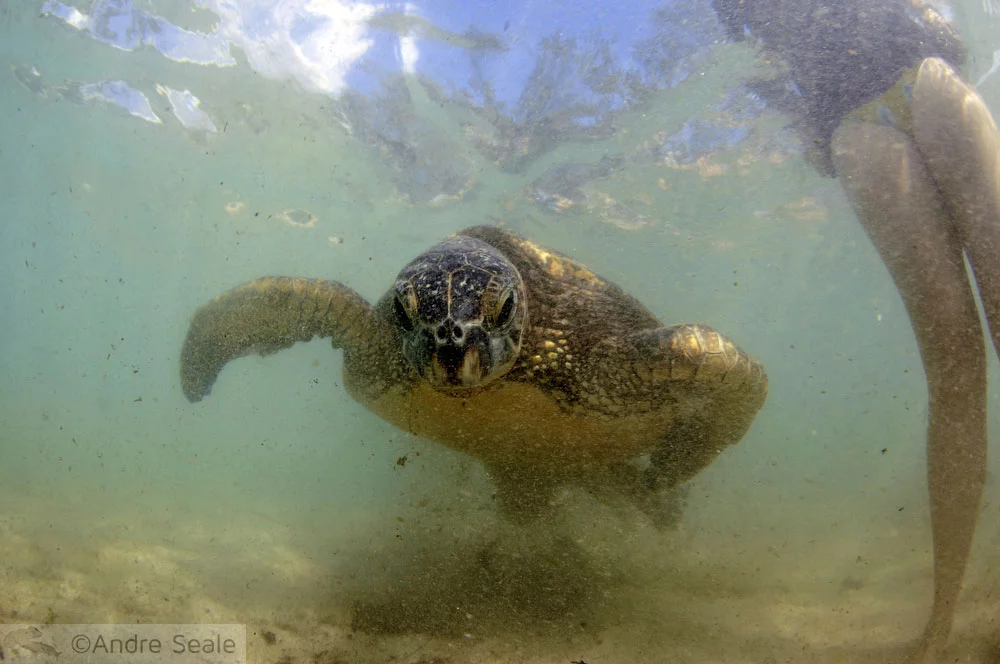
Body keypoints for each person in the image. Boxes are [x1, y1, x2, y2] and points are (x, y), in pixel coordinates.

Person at [711, 1, 1000, 661]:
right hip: (854, 128)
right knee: (953, 365)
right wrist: (800, 118)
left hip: (923, 76)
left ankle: (944, 622)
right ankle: (944, 622)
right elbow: (759, 60)